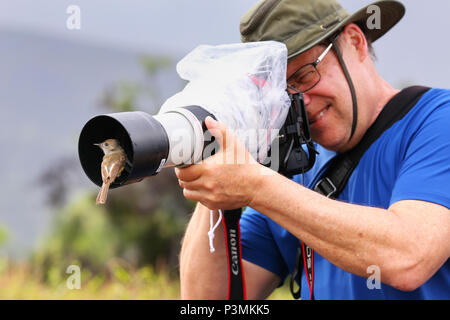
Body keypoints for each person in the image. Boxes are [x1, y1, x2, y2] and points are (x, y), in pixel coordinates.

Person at [176, 0, 450, 300]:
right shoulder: (289, 167)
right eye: (281, 92)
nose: (299, 102)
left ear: (355, 42)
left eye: (305, 76)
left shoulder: (436, 122)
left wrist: (255, 186)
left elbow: (408, 258)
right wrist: (217, 171)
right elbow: (210, 302)